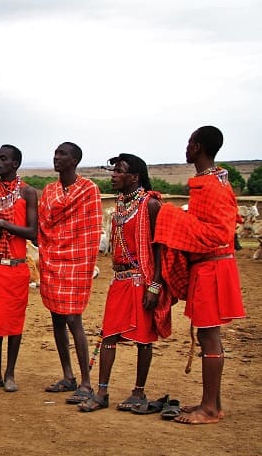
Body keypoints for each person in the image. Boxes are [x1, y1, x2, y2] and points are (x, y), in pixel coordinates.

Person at [154, 126, 246, 424]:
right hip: (208, 267)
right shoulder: (209, 183)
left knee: (209, 334)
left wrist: (169, 215)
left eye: (189, 142)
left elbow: (220, 233)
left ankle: (209, 409)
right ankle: (213, 405)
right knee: (209, 334)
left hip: (214, 267)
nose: (186, 147)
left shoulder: (214, 187)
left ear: (197, 147)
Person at [78, 153, 173, 412]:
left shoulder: (150, 205)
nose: (114, 175)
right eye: (113, 171)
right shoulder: (121, 205)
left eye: (119, 171)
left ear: (134, 177)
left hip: (141, 280)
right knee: (108, 335)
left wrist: (155, 286)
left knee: (143, 339)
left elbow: (159, 249)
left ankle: (138, 393)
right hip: (119, 280)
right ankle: (102, 393)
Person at [39, 142, 102, 403]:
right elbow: (43, 224)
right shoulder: (49, 190)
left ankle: (86, 382)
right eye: (55, 153)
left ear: (75, 160)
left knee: (74, 319)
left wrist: (81, 260)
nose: (56, 158)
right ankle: (68, 376)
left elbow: (91, 230)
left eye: (62, 154)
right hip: (52, 259)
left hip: (76, 262)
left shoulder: (89, 190)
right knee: (56, 318)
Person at [0, 145, 38, 392]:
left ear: (15, 164)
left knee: (13, 322)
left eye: (3, 159)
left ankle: (10, 373)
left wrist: (3, 223)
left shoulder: (27, 193)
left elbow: (33, 232)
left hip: (16, 267)